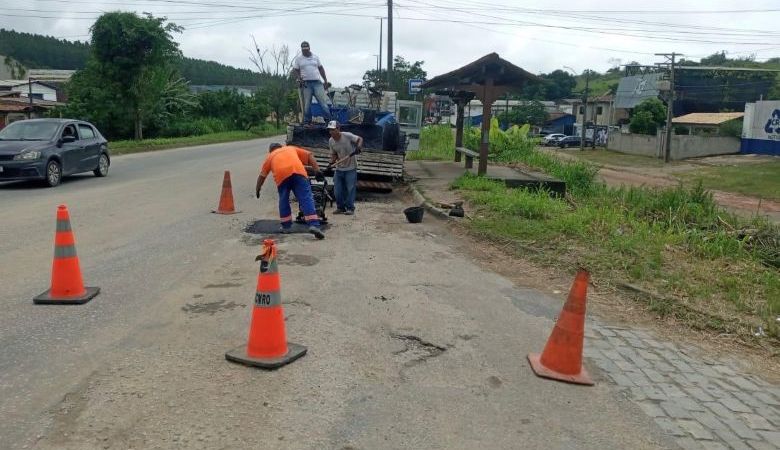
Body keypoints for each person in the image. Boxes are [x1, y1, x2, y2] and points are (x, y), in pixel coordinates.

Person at [255, 143, 325, 239]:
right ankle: (314, 225)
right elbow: (309, 155)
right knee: (306, 198)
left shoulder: (270, 156)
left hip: (282, 176)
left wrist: (258, 189)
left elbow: (262, 176)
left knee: (284, 200)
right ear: (281, 146)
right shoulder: (290, 148)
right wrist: (317, 170)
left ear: (270, 151)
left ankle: (286, 227)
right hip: (299, 173)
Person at [292, 41, 332, 126]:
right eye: (303, 50)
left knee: (323, 102)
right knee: (307, 104)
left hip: (317, 83)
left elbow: (321, 68)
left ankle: (329, 120)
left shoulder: (315, 57)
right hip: (306, 84)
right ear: (301, 49)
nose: (305, 51)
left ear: (309, 48)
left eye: (306, 49)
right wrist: (299, 78)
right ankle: (307, 121)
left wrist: (325, 80)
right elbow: (295, 70)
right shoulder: (299, 59)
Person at [327, 120, 363, 215]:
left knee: (350, 189)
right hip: (339, 168)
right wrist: (331, 163)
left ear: (338, 129)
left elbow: (360, 139)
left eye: (333, 130)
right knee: (337, 190)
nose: (331, 132)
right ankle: (340, 207)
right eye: (329, 130)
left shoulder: (347, 135)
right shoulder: (331, 141)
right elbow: (334, 154)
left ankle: (350, 208)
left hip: (351, 168)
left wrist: (358, 147)